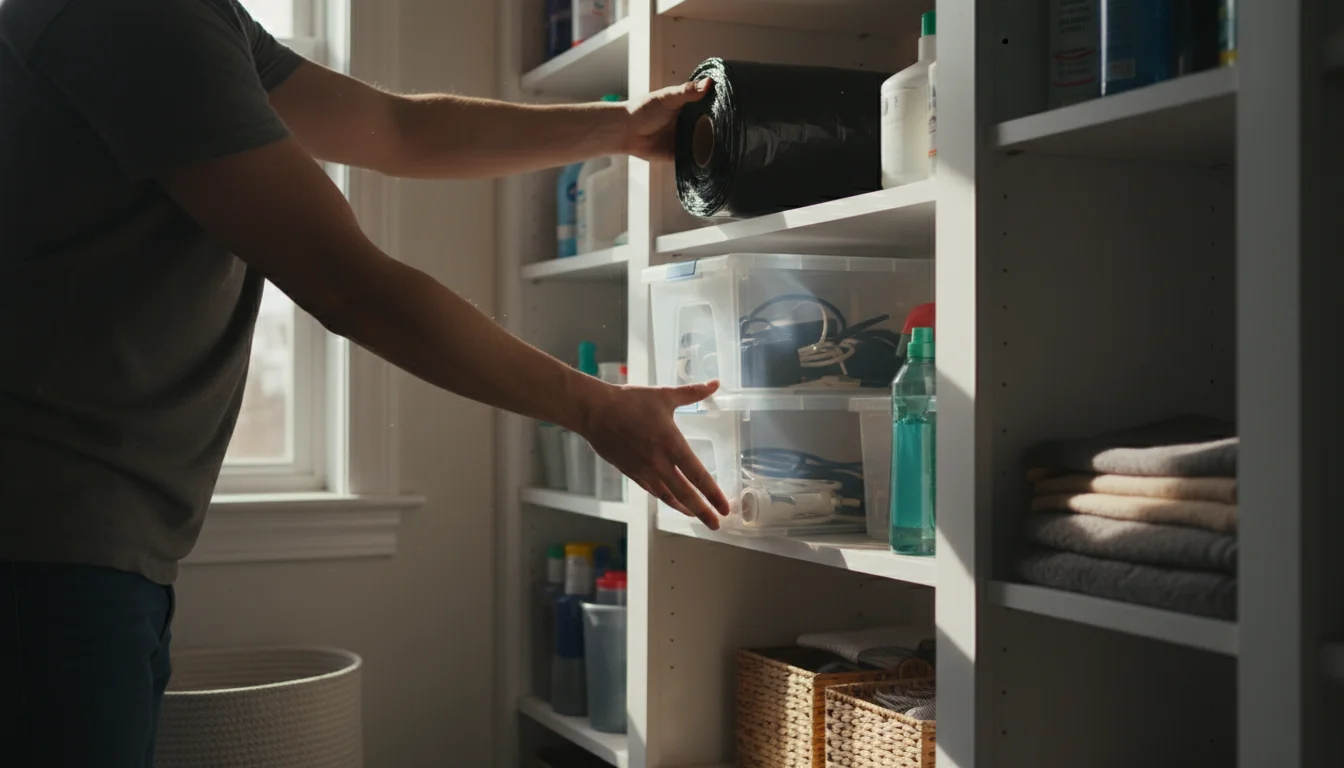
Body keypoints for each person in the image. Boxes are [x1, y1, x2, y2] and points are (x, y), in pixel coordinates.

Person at [0, 0, 729, 763]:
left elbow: (396, 130)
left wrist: (618, 129)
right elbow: (349, 287)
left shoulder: (184, 18)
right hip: (48, 545)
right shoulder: (131, 16)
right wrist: (593, 407)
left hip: (94, 540)